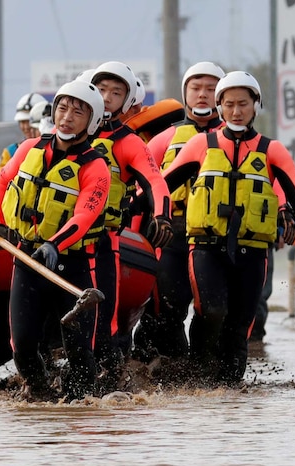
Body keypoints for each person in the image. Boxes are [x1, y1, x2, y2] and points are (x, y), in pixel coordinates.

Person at [162, 70, 295, 383]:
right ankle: (198, 380)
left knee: (239, 327)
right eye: (228, 105)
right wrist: (135, 212)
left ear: (256, 106)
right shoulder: (201, 145)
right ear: (220, 107)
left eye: (243, 104)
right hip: (206, 249)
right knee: (212, 311)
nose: (236, 111)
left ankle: (231, 398)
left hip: (252, 252)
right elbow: (161, 185)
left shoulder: (272, 150)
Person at [0, 80, 110, 402]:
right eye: (62, 108)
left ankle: (80, 406)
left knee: (80, 351)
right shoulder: (29, 149)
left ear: (92, 122)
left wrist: (54, 244)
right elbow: (2, 180)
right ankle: (41, 399)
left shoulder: (95, 168)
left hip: (72, 266)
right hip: (27, 260)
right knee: (23, 348)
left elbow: (84, 216)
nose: (67, 117)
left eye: (77, 112)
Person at [87, 62, 173, 394]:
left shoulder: (129, 142)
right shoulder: (65, 135)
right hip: (59, 243)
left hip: (104, 240)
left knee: (106, 319)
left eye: (116, 92)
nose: (107, 98)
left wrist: (162, 215)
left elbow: (156, 182)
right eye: (102, 90)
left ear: (126, 101)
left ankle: (110, 386)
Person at [132, 61, 226, 364]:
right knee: (165, 308)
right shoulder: (165, 138)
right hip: (171, 231)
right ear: (185, 93)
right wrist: (135, 234)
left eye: (211, 89)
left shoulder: (237, 139)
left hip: (218, 236)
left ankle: (204, 366)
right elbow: (142, 187)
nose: (203, 95)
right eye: (196, 88)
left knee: (213, 309)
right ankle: (168, 370)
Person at [0, 93, 48, 176]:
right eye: (23, 122)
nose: (26, 127)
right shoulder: (10, 152)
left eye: (30, 121)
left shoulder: (57, 150)